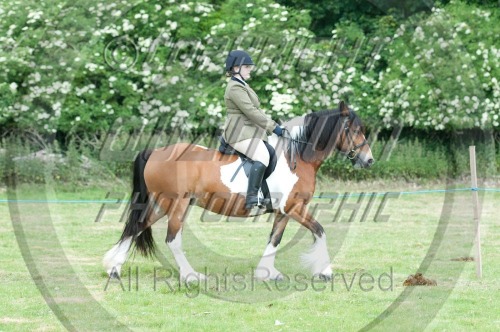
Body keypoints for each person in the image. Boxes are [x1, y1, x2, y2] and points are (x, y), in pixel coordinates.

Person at [222, 50, 284, 210]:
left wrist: (273, 126)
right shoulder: (235, 87)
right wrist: (273, 127)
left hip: (249, 131)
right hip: (239, 133)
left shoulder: (242, 84)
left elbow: (255, 111)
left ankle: (267, 197)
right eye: (247, 66)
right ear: (236, 68)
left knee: (270, 153)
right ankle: (251, 198)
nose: (250, 69)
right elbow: (251, 111)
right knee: (262, 156)